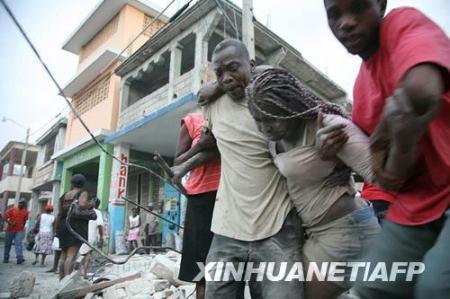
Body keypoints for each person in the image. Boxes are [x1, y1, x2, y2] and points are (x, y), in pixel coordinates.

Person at [323, 1, 450, 298]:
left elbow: (422, 90)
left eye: (357, 7)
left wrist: (385, 134)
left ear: (380, 4)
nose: (347, 22)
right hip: (418, 203)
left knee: (436, 287)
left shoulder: (402, 24)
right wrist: (399, 143)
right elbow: (392, 176)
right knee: (371, 286)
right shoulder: (361, 91)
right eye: (335, 15)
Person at [246, 67, 382, 299]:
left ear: (290, 106)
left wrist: (340, 158)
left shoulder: (327, 126)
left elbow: (381, 174)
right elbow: (252, 73)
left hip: (345, 232)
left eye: (271, 119)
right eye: (258, 120)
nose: (264, 128)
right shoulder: (273, 138)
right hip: (317, 235)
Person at [190, 39, 304, 298]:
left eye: (234, 68)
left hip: (278, 227)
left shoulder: (274, 100)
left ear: (252, 65)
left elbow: (285, 78)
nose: (227, 78)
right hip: (226, 229)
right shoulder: (212, 105)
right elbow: (214, 145)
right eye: (220, 73)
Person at [170, 112, 221, 299]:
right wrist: (200, 145)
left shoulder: (233, 116)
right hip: (201, 198)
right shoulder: (192, 120)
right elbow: (177, 162)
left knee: (231, 266)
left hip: (231, 195)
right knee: (201, 269)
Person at [55, 174, 92, 279]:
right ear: (83, 183)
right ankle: (67, 280)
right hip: (75, 226)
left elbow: (59, 214)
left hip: (63, 225)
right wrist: (90, 204)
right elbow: (82, 204)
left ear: (72, 183)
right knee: (71, 255)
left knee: (63, 255)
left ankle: (61, 279)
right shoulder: (82, 193)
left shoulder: (64, 196)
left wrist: (56, 230)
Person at [78, 197, 104, 278]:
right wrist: (101, 237)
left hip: (81, 235)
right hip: (91, 237)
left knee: (83, 253)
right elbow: (100, 225)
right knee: (87, 254)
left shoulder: (84, 211)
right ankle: (83, 272)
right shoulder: (97, 212)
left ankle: (79, 270)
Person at [3, 198, 29, 264]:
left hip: (19, 230)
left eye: (22, 203)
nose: (20, 204)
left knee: (18, 244)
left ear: (24, 205)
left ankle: (19, 258)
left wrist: (22, 227)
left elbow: (25, 221)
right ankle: (6, 258)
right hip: (10, 229)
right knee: (7, 244)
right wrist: (10, 223)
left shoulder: (26, 212)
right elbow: (5, 217)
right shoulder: (12, 210)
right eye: (20, 203)